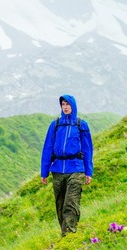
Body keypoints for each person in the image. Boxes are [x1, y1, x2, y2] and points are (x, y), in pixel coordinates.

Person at [41, 94, 93, 237]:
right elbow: (48, 148)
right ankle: (65, 233)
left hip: (76, 168)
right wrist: (44, 172)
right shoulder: (55, 124)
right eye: (63, 104)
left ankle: (69, 235)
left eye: (68, 104)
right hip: (57, 170)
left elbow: (87, 149)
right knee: (60, 205)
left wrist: (89, 172)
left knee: (70, 203)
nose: (65, 107)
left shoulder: (81, 125)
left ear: (73, 106)